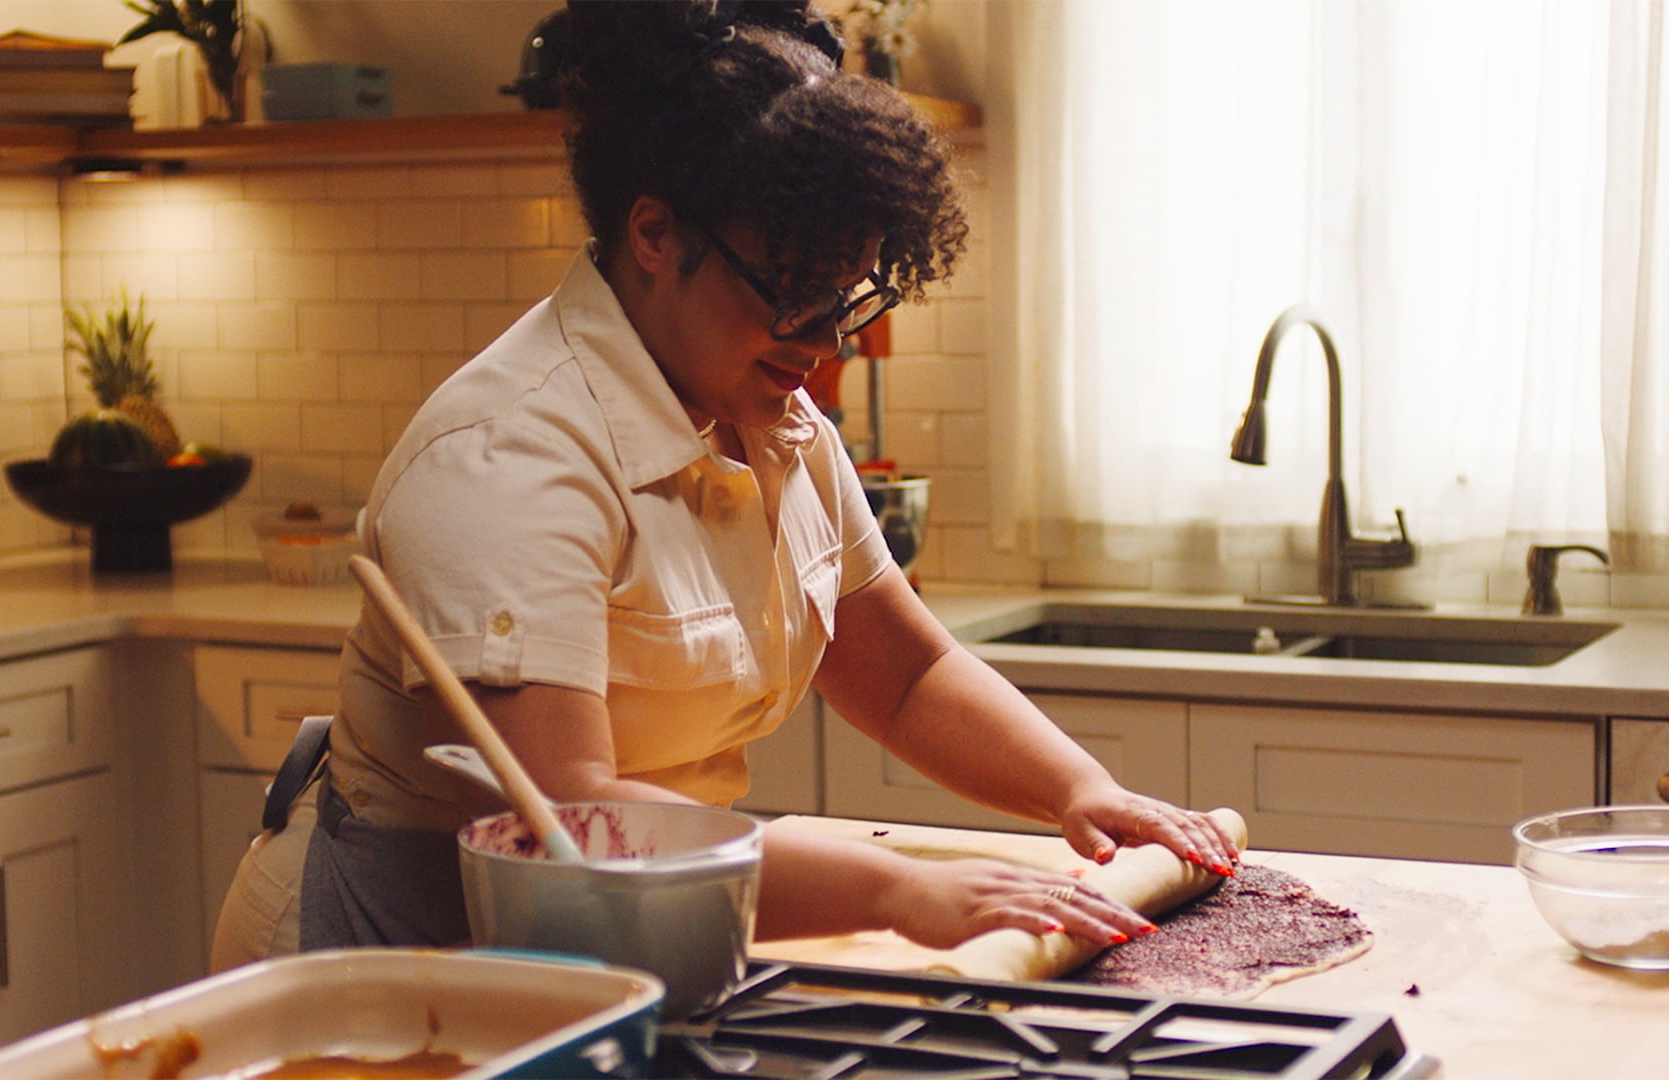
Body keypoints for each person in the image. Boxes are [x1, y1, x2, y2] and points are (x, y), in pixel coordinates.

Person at [211, 0, 1235, 971]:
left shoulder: (771, 417)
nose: (825, 344)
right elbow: (575, 824)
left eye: (847, 298)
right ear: (656, 236)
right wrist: (894, 890)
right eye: (794, 296)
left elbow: (904, 676)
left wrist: (1081, 790)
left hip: (629, 932)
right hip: (405, 948)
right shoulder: (511, 456)